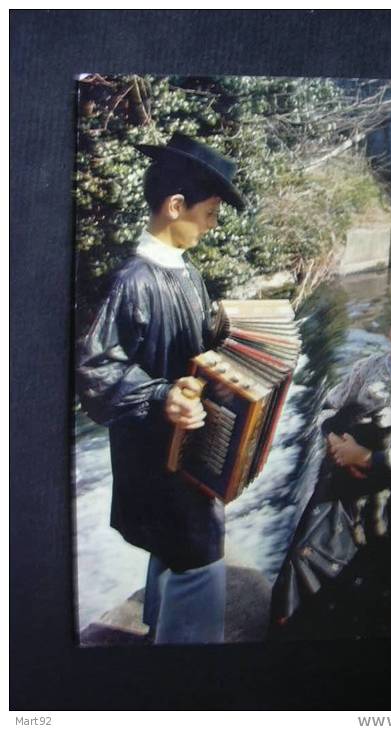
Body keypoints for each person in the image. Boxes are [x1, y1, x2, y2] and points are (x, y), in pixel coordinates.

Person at [76, 133, 246, 644]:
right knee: (199, 548)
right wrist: (158, 396)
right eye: (211, 213)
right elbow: (96, 371)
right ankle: (187, 672)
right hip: (155, 453)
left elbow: (192, 346)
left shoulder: (187, 273)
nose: (213, 226)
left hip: (184, 448)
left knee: (180, 539)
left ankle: (161, 629)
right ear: (176, 206)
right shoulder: (132, 281)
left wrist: (231, 332)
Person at [269, 287, 391, 640]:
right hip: (339, 485)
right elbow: (329, 407)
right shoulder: (369, 367)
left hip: (390, 501)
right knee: (305, 556)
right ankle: (292, 638)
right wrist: (336, 444)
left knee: (370, 579)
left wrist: (367, 459)